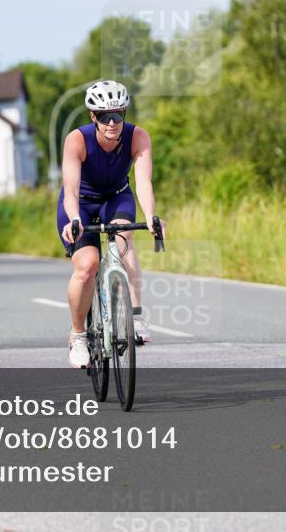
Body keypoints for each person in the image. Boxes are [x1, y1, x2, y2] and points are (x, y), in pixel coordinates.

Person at [57, 79, 165, 368]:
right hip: (81, 202)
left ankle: (137, 315)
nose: (113, 122)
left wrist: (152, 217)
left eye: (119, 114)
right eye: (105, 116)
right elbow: (70, 189)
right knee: (87, 265)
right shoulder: (77, 140)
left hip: (116, 197)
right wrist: (75, 219)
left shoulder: (138, 137)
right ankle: (78, 335)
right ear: (93, 117)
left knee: (124, 239)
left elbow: (143, 183)